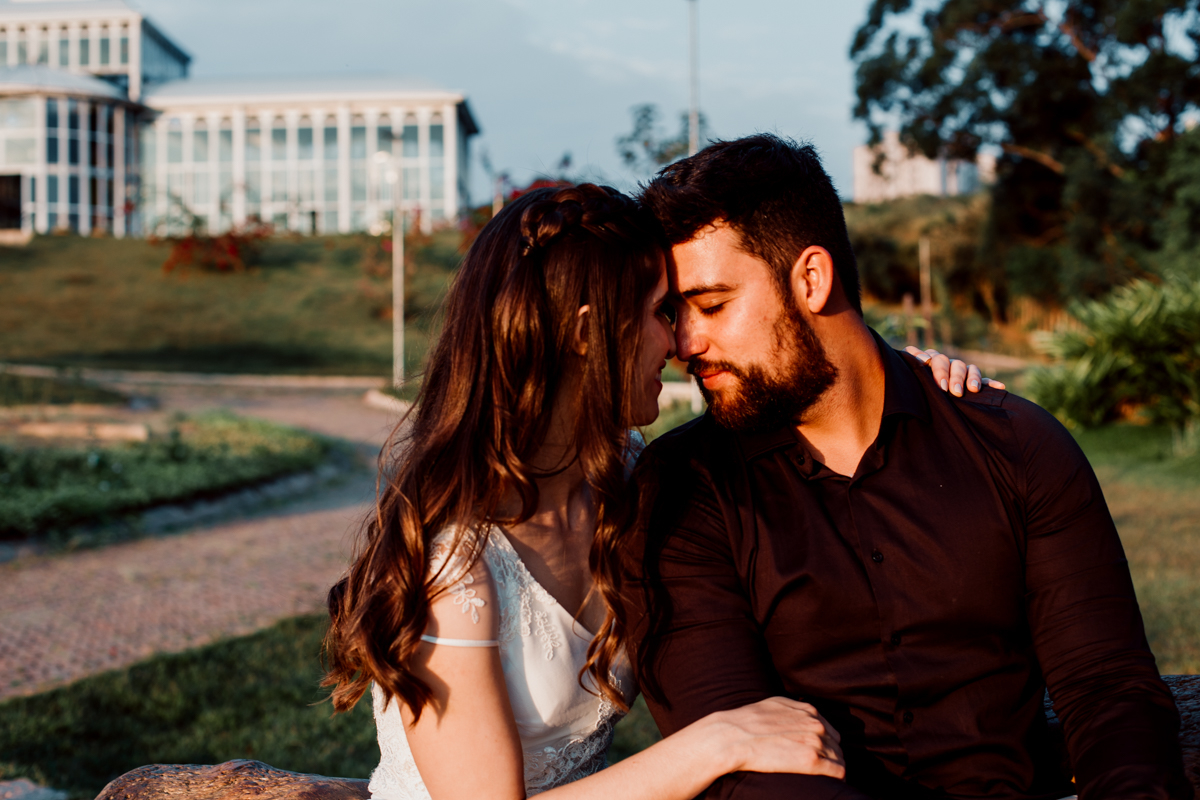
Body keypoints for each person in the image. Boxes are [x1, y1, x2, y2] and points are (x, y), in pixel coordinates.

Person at [322, 183, 992, 800]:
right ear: (585, 333)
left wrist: (890, 382)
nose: (679, 342)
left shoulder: (629, 477)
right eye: (661, 313)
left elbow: (789, 432)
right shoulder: (453, 567)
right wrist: (716, 743)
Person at [610, 135, 1191, 800]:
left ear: (811, 279)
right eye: (674, 313)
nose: (685, 343)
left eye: (712, 305)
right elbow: (742, 767)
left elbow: (1108, 689)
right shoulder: (681, 492)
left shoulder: (1017, 446)